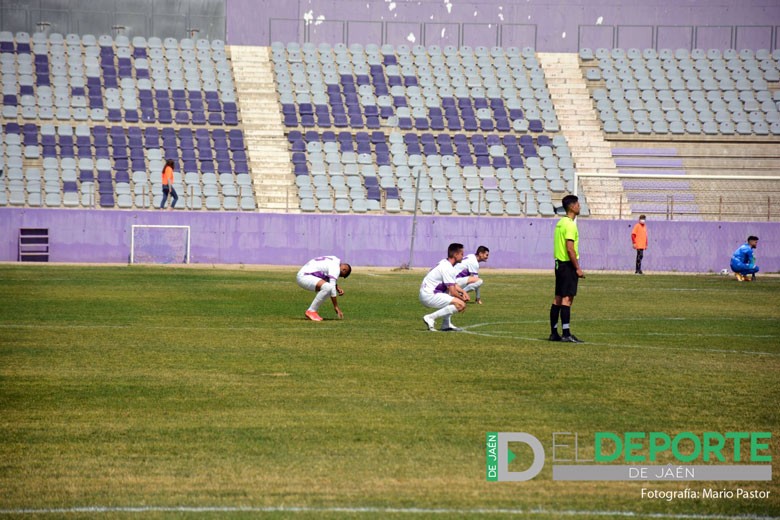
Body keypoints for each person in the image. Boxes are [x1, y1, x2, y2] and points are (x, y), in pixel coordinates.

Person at [549, 195, 585, 343]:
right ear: (571, 206)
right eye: (577, 204)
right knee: (567, 299)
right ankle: (566, 333)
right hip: (567, 265)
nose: (579, 206)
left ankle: (554, 333)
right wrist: (577, 268)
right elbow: (570, 249)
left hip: (559, 264)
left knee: (558, 298)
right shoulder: (570, 224)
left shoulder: (560, 223)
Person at [420, 243, 471, 331]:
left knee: (452, 298)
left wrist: (463, 292)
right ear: (455, 255)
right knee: (460, 304)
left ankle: (446, 324)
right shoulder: (448, 268)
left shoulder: (445, 262)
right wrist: (462, 300)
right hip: (429, 295)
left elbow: (453, 284)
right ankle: (430, 317)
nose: (463, 256)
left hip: (427, 292)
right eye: (462, 254)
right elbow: (453, 292)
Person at [296, 256, 352, 321]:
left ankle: (312, 311)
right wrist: (336, 307)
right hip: (304, 277)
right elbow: (332, 289)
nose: (339, 276)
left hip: (304, 274)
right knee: (328, 288)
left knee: (328, 287)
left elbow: (325, 274)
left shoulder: (334, 259)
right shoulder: (336, 268)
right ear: (344, 270)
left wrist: (337, 287)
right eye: (341, 275)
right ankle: (311, 311)